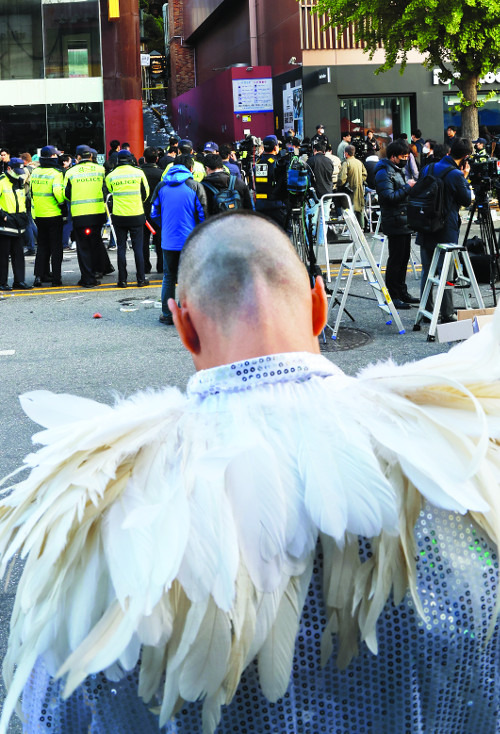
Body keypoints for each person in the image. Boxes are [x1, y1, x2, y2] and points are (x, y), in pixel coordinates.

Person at [2, 212, 500, 734]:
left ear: (184, 324)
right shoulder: (467, 445)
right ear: (318, 304)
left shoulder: (101, 504)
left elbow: (62, 713)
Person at [418, 137, 473, 322]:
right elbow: (466, 199)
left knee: (427, 270)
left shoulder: (428, 168)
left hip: (425, 223)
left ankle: (426, 310)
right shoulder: (456, 175)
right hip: (445, 227)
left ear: (449, 151)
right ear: (465, 157)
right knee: (445, 272)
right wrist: (465, 176)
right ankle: (447, 312)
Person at [150, 153, 206, 325]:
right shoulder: (195, 186)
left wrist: (165, 226)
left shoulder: (162, 186)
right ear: (191, 169)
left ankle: (167, 314)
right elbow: (203, 214)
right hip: (189, 240)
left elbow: (154, 213)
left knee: (168, 276)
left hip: (168, 240)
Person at [374, 139, 419, 309]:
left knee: (403, 258)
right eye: (403, 156)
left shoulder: (396, 169)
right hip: (394, 220)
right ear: (393, 157)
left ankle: (402, 291)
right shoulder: (384, 172)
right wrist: (408, 187)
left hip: (403, 219)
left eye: (407, 156)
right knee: (396, 259)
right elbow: (388, 198)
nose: (406, 159)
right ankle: (393, 295)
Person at [64, 144, 108, 288]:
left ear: (77, 157)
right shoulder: (101, 170)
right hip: (97, 213)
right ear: (90, 156)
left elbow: (66, 194)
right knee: (96, 244)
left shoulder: (70, 172)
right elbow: (106, 189)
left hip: (80, 215)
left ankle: (87, 279)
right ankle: (97, 272)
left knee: (83, 248)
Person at [105, 149, 150, 288]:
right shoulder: (139, 172)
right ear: (131, 159)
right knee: (138, 248)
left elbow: (110, 191)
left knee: (121, 248)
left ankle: (122, 280)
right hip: (136, 215)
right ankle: (141, 279)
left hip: (119, 216)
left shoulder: (111, 175)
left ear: (118, 160)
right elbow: (146, 193)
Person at [30, 145, 66, 287]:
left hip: (39, 214)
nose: (57, 157)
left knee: (43, 246)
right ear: (51, 157)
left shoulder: (36, 172)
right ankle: (56, 278)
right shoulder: (56, 173)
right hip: (53, 214)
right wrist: (63, 204)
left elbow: (32, 192)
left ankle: (39, 276)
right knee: (56, 247)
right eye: (55, 155)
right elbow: (58, 192)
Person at [0, 157, 32, 290]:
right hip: (5, 223)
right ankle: (2, 282)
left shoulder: (19, 181)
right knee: (2, 256)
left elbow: (22, 200)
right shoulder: (1, 181)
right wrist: (3, 216)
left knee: (18, 255)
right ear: (9, 169)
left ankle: (19, 281)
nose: (20, 174)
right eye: (17, 171)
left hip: (18, 223)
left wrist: (24, 216)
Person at [254, 134, 288, 229]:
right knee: (284, 232)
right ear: (275, 147)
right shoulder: (277, 163)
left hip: (261, 204)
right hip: (276, 204)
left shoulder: (258, 163)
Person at [140, 146, 163, 274]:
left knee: (143, 240)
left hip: (142, 209)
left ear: (144, 158)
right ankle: (161, 265)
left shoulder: (139, 173)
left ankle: (145, 266)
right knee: (160, 238)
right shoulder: (162, 173)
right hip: (158, 211)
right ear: (157, 159)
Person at [338, 144, 367, 228]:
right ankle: (361, 227)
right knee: (359, 209)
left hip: (348, 191)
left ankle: (351, 228)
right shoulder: (359, 162)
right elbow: (364, 174)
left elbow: (342, 179)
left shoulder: (346, 163)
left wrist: (339, 185)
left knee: (348, 210)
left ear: (346, 153)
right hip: (359, 189)